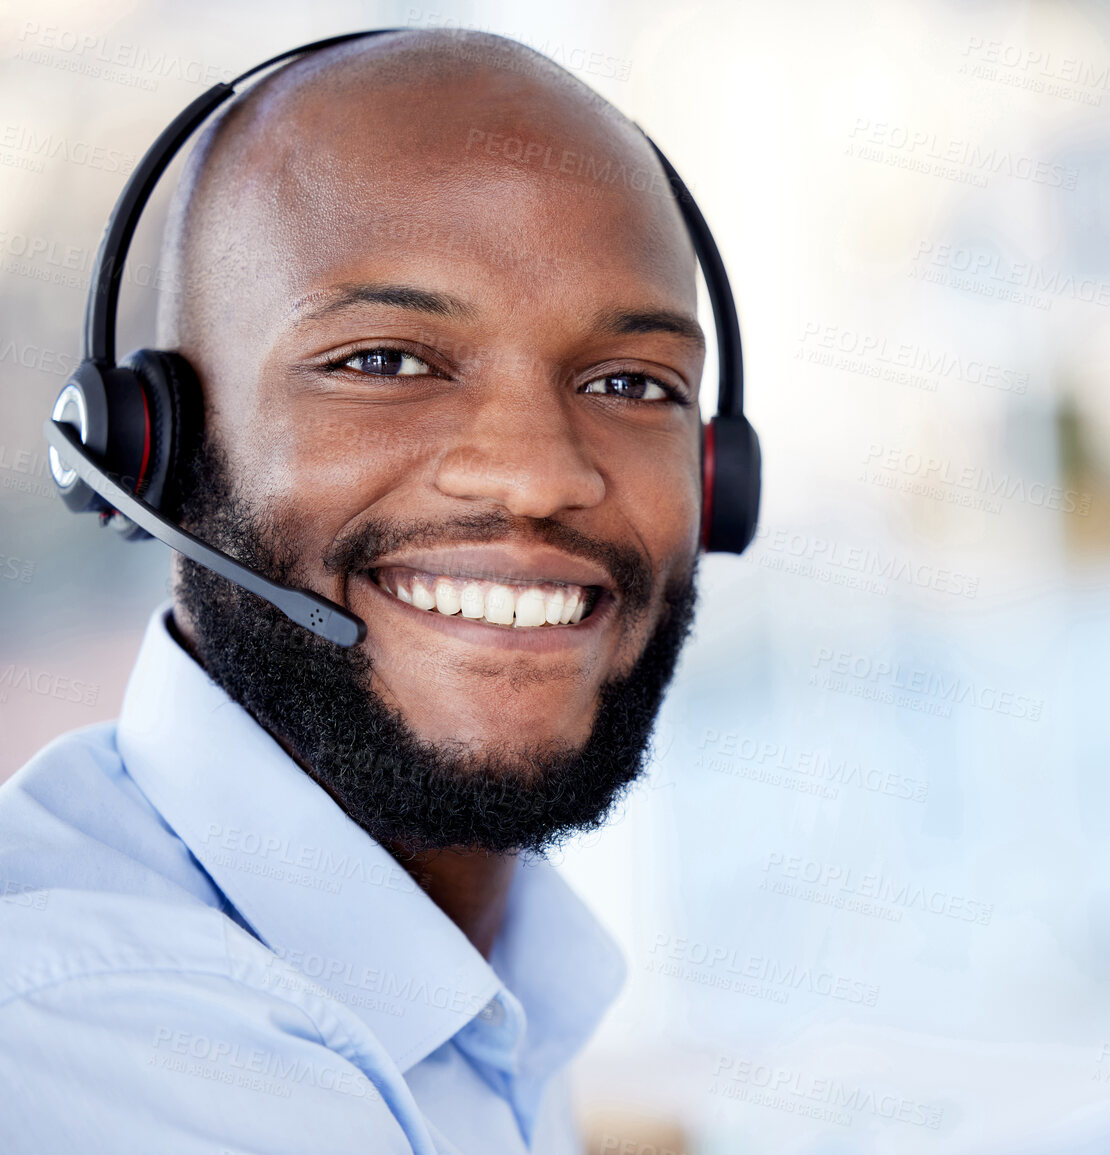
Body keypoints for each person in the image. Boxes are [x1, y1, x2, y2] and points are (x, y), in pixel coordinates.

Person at [0, 29, 708, 1154]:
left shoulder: (489, 986)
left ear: (724, 478)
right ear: (149, 451)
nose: (537, 473)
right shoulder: (93, 1038)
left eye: (631, 383)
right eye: (385, 362)